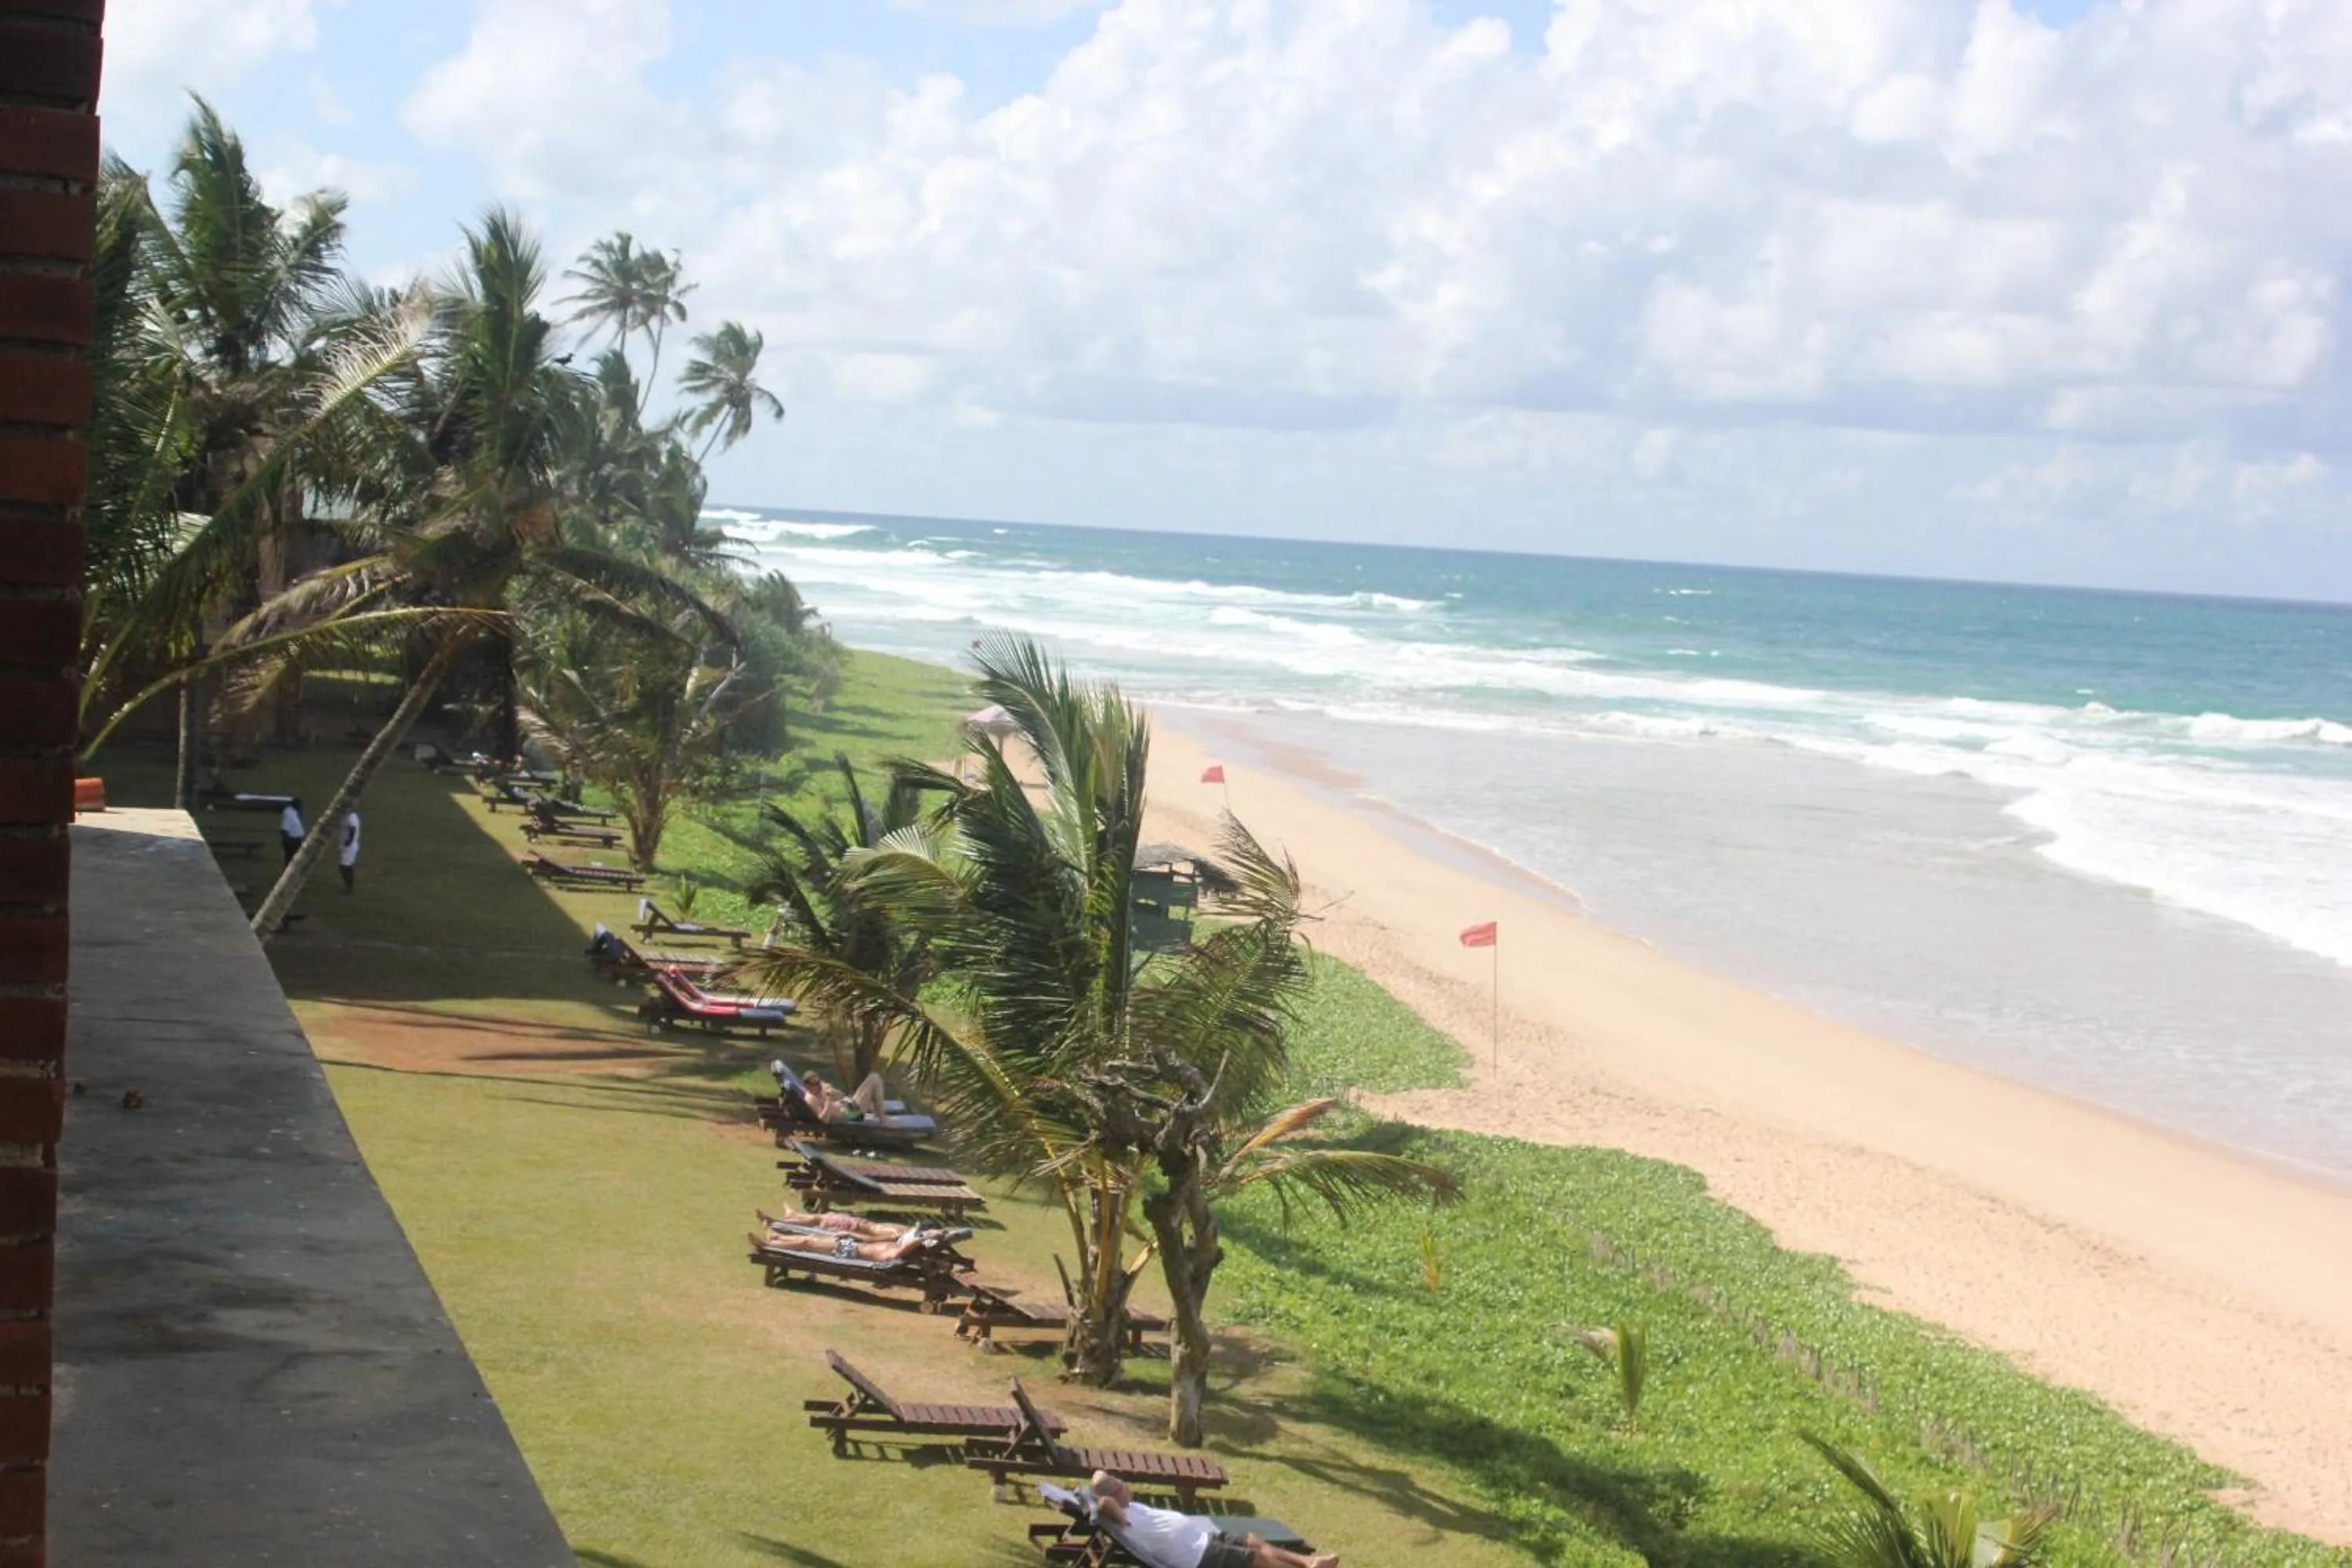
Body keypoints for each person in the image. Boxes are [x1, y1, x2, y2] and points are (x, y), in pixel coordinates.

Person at [1086, 1472, 1338, 1568]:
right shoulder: (1120, 1515)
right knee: (1256, 1560)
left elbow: (1102, 1485)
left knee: (1252, 1541)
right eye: (1121, 1484)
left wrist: (1112, 1490)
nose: (1127, 1486)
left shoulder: (1129, 1505)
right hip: (1197, 1556)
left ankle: (1309, 1562)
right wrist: (1110, 1497)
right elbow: (1104, 1502)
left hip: (1203, 1538)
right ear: (1115, 1494)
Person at [757, 1208, 931, 1242]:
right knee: (820, 1219)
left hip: (854, 1227)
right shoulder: (904, 1231)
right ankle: (791, 1217)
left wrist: (856, 1236)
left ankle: (779, 1222)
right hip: (857, 1225)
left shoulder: (897, 1233)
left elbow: (873, 1237)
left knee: (819, 1220)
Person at [802, 1070, 894, 1123]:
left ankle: (879, 1113)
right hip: (851, 1114)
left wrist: (834, 1092)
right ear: (808, 1086)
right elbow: (823, 1121)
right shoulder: (811, 1099)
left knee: (874, 1079)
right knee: (874, 1078)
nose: (819, 1085)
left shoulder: (821, 1087)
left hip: (849, 1105)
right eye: (815, 1084)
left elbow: (842, 1096)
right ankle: (883, 1118)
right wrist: (828, 1100)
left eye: (819, 1082)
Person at [338, 807, 362, 894]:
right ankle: (349, 887)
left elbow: (353, 829)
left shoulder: (352, 817)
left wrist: (348, 842)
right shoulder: (349, 816)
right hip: (348, 845)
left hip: (350, 847)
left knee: (344, 867)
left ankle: (349, 888)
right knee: (347, 867)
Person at [278, 798, 305, 866]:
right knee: (290, 861)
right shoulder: (289, 814)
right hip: (292, 841)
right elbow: (284, 829)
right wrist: (289, 842)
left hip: (295, 840)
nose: (301, 808)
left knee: (294, 861)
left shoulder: (294, 813)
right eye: (300, 806)